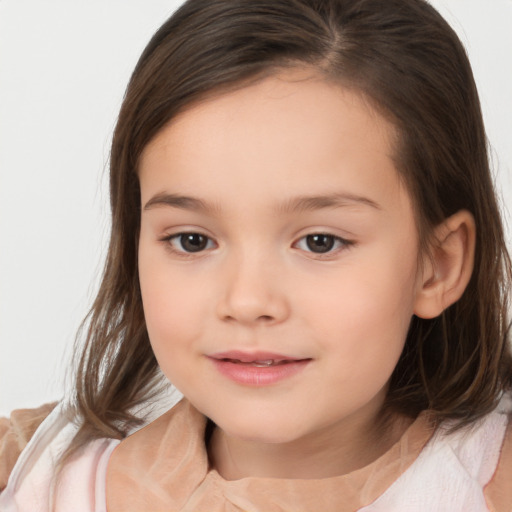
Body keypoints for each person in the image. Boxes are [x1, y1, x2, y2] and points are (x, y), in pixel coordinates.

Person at [1, 0, 511, 510]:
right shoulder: (46, 484)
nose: (247, 302)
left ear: (438, 266)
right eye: (192, 240)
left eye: (320, 242)